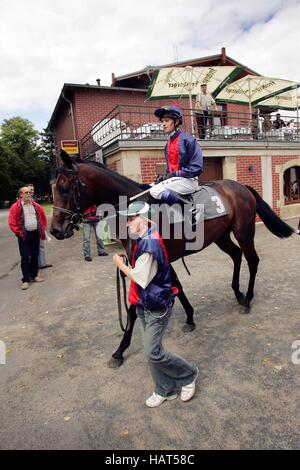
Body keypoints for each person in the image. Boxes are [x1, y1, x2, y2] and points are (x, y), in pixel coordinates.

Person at [112, 201, 198, 408]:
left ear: (142, 219)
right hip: (145, 302)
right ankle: (165, 389)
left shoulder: (149, 244)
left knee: (153, 352)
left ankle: (188, 374)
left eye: (131, 219)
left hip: (156, 306)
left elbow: (140, 277)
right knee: (152, 349)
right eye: (127, 219)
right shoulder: (146, 236)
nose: (127, 224)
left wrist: (120, 264)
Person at [150, 105, 203, 215]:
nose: (163, 124)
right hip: (176, 180)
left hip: (189, 180)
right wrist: (164, 177)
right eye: (162, 121)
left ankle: (188, 209)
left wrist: (177, 173)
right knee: (150, 186)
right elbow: (170, 169)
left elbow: (198, 167)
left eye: (167, 120)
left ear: (176, 121)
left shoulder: (188, 139)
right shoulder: (168, 144)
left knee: (155, 190)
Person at [8, 186, 47, 290]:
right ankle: (25, 280)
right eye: (26, 192)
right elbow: (12, 223)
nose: (29, 194)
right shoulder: (15, 207)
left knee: (35, 255)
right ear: (21, 195)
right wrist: (19, 232)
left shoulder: (36, 206)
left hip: (35, 234)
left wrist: (42, 229)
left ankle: (34, 275)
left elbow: (43, 218)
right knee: (25, 257)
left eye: (30, 192)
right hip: (24, 236)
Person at [27, 184, 52, 269]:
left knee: (41, 246)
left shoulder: (34, 203)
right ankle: (34, 265)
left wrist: (43, 226)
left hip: (38, 228)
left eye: (33, 190)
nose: (31, 192)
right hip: (28, 231)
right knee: (31, 249)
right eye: (30, 190)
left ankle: (42, 263)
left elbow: (42, 216)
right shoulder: (22, 204)